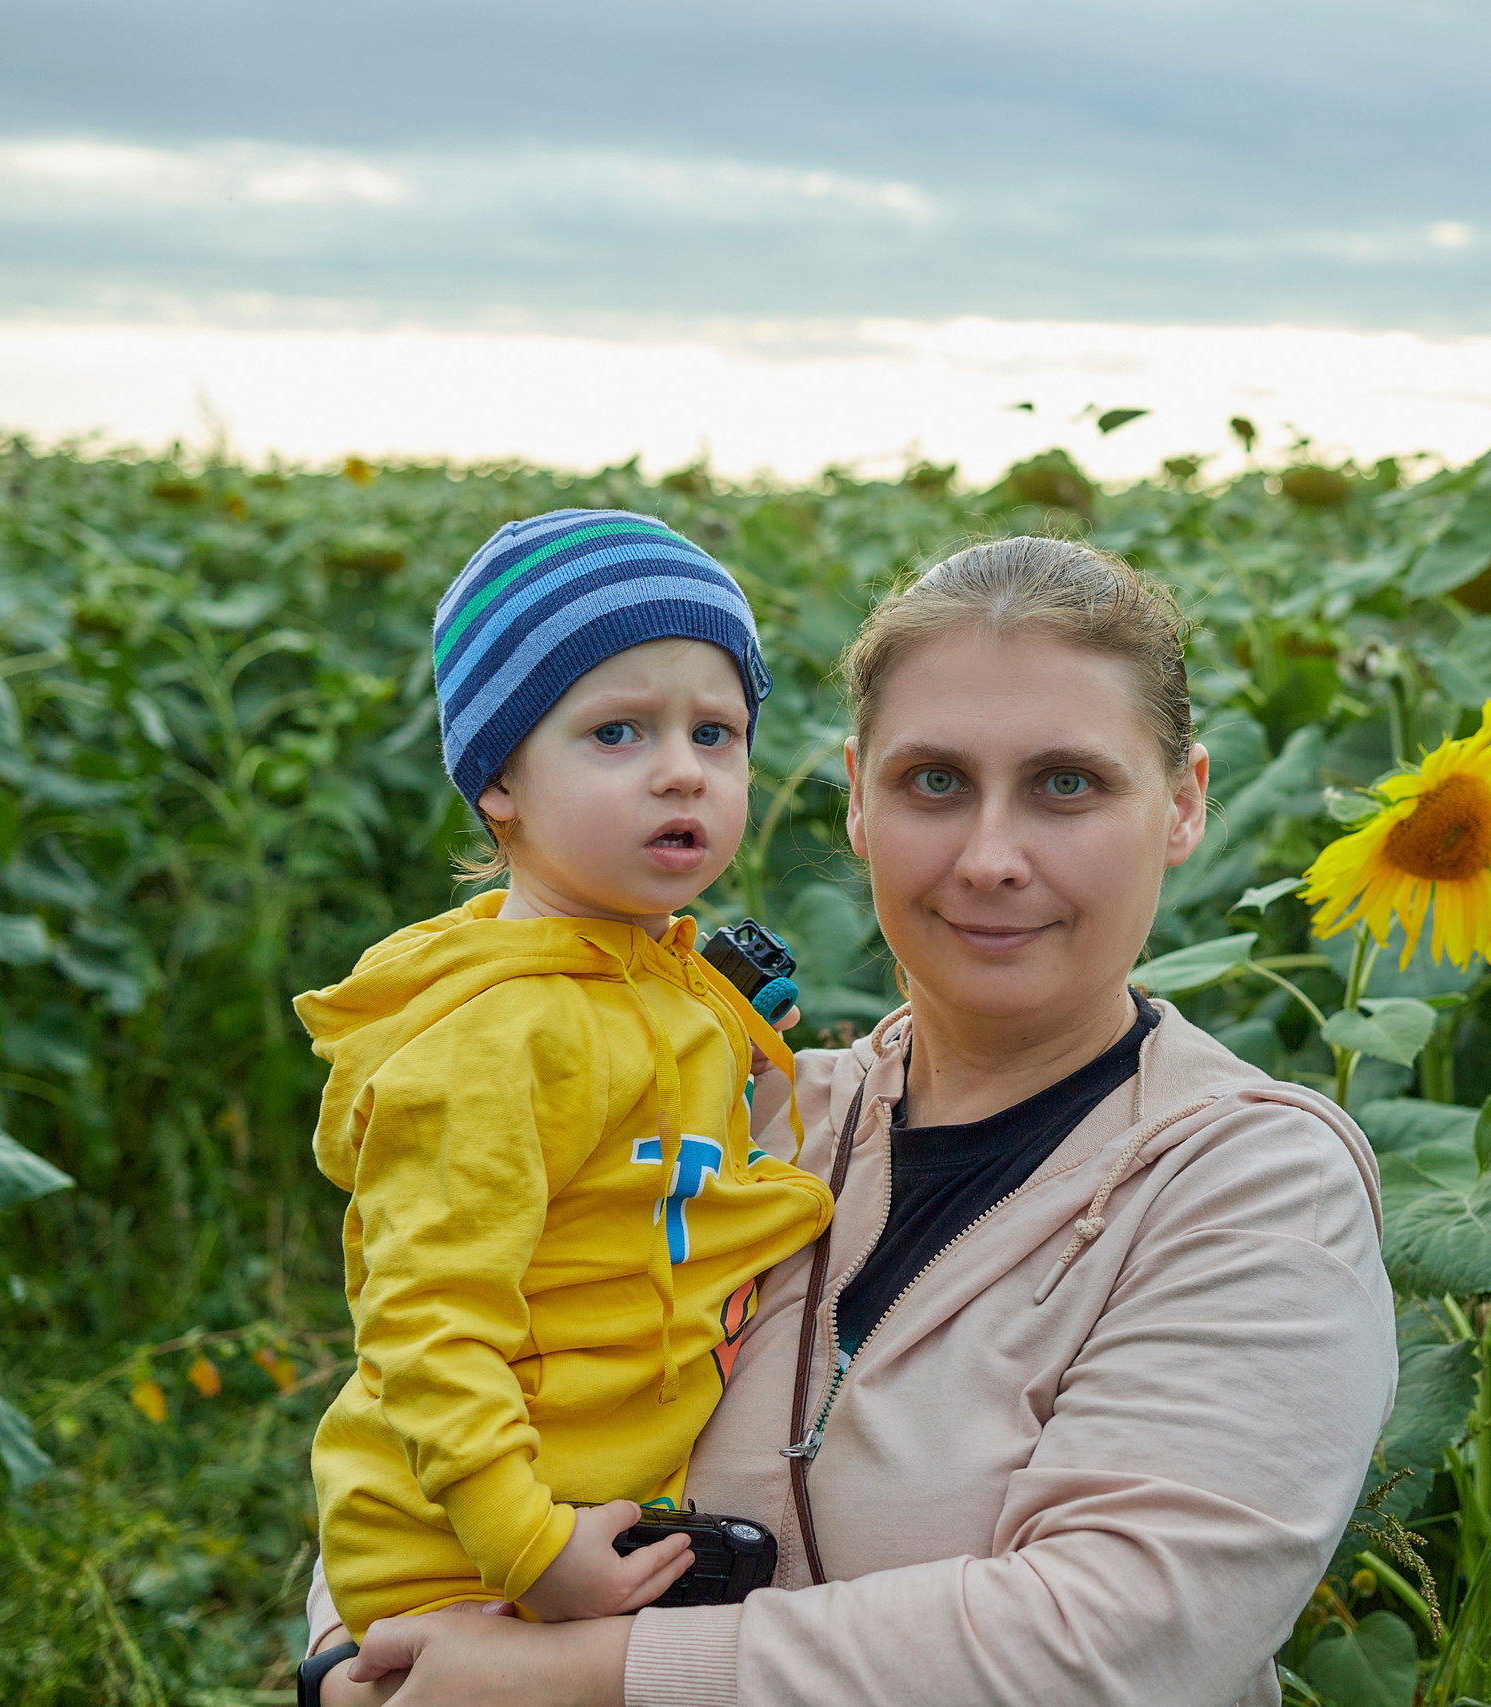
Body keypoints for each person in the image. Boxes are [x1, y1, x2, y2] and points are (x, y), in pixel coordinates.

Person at [309, 536, 1398, 1706]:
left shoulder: (1251, 1184)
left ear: (1181, 806)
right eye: (933, 781)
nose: (989, 859)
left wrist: (576, 1675)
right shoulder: (743, 1120)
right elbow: (427, 1392)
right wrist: (360, 1660)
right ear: (858, 800)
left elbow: (1123, 1638)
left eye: (1066, 784)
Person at [298, 509, 834, 1639]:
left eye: (716, 734)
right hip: (475, 1556)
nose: (681, 773)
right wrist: (528, 1546)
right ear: (498, 779)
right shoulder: (497, 1039)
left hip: (597, 1520)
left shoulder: (664, 984)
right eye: (617, 734)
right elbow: (426, 1321)